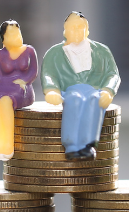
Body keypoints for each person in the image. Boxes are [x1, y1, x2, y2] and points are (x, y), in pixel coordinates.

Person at [41, 12, 120, 161]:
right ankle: (71, 146)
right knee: (74, 100)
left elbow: (112, 74)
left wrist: (108, 91)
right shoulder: (54, 53)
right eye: (71, 28)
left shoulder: (101, 51)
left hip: (93, 90)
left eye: (80, 27)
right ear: (65, 31)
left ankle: (88, 144)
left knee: (95, 100)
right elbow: (48, 74)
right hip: (70, 90)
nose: (76, 31)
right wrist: (51, 90)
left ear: (87, 30)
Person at [0, 20, 39, 161]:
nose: (16, 37)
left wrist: (23, 81)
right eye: (11, 34)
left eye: (18, 33)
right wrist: (10, 82)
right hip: (5, 87)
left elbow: (33, 72)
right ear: (3, 39)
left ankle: (8, 144)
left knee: (5, 101)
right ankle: (0, 141)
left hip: (23, 90)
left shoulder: (29, 51)